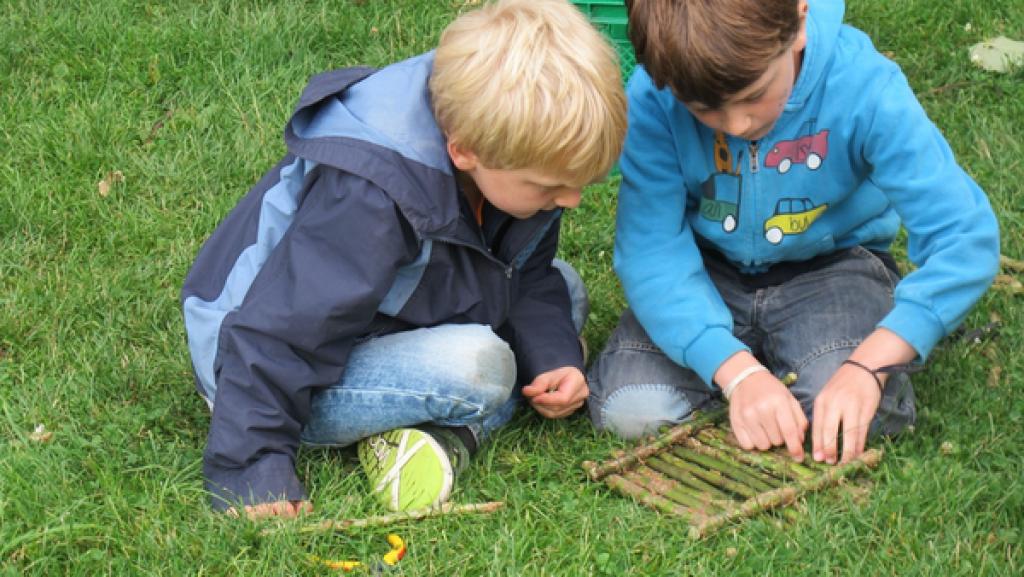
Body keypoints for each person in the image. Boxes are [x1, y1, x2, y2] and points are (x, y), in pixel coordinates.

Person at [181, 0, 626, 518]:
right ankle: (451, 433)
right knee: (478, 363)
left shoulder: (507, 143)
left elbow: (523, 274)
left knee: (565, 291)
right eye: (551, 187)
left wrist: (555, 359)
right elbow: (281, 331)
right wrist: (253, 471)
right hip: (250, 361)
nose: (570, 199)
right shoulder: (371, 197)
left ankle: (430, 426)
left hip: (377, 318)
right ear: (464, 152)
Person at [588, 0, 999, 466]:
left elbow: (964, 237)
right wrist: (737, 373)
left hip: (832, 271)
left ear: (799, 21)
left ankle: (805, 372)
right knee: (631, 410)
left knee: (849, 415)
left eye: (753, 93)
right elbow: (651, 250)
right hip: (705, 275)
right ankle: (745, 373)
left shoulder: (865, 87)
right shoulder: (655, 95)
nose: (738, 125)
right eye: (705, 109)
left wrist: (872, 362)